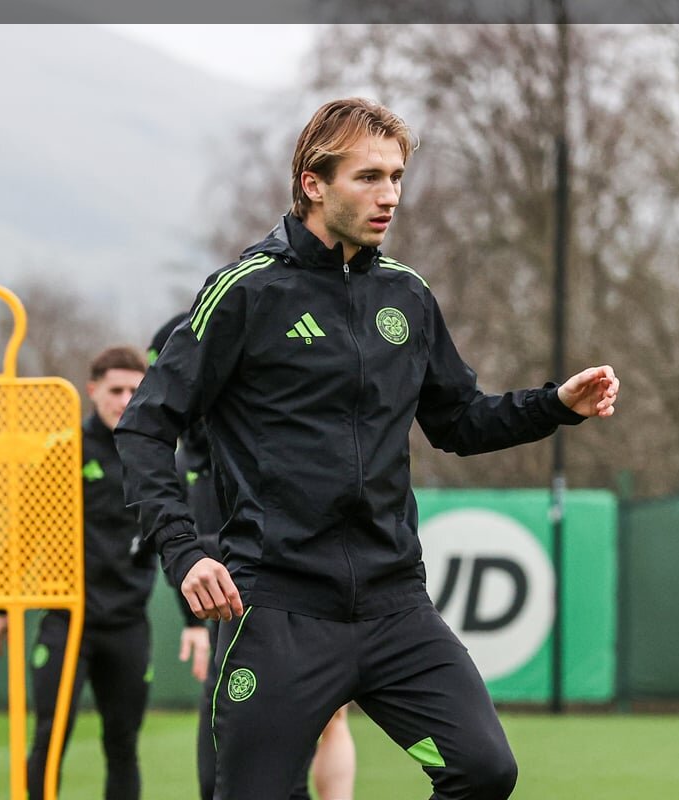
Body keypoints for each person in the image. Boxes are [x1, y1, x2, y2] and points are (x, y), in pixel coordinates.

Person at [115, 97, 619, 800]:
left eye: (397, 177)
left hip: (393, 604)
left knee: (484, 769)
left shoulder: (406, 296)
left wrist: (554, 405)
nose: (390, 196)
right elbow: (143, 427)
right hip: (278, 608)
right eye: (369, 177)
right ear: (313, 184)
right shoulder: (245, 293)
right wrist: (184, 549)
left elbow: (458, 421)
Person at [149, 315, 358, 800]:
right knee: (223, 776)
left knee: (322, 731)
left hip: (299, 604)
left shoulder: (269, 431)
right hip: (231, 618)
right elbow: (183, 538)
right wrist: (193, 621)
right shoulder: (184, 453)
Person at [0, 346, 154, 800]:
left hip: (128, 624)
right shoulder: (63, 450)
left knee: (123, 746)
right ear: (93, 390)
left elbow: (174, 536)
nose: (124, 400)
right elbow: (25, 529)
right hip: (67, 619)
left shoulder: (152, 457)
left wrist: (194, 624)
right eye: (115, 390)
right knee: (49, 738)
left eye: (134, 390)